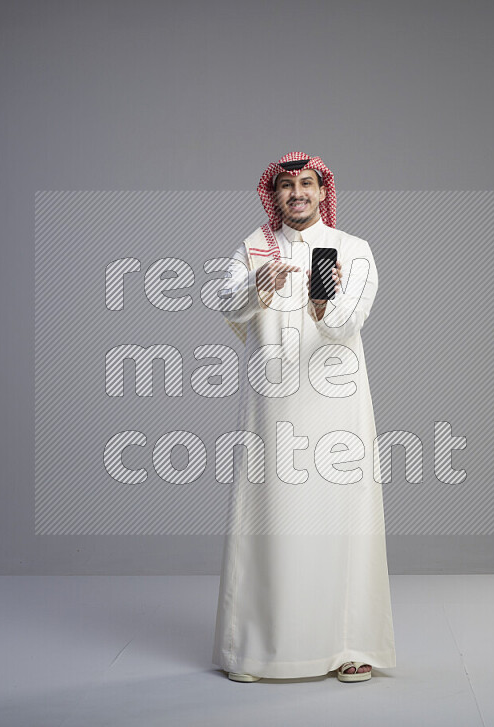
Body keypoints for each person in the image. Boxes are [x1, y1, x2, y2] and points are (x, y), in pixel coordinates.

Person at [212, 152, 396, 683]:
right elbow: (226, 303)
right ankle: (254, 649)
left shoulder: (354, 251)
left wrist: (323, 302)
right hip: (274, 402)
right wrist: (258, 283)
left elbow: (349, 322)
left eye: (308, 185)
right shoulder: (253, 247)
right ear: (274, 196)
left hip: (337, 407)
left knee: (344, 517)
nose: (298, 193)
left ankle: (349, 646)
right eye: (287, 186)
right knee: (271, 515)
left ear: (322, 192)